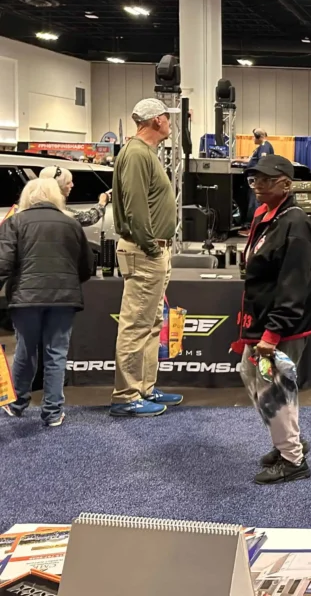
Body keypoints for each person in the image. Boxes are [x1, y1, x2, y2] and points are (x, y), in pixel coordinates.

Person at [233, 154, 311, 484]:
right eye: (254, 179)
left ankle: (292, 459)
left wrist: (272, 334)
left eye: (266, 180)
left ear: (286, 185)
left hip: (283, 323)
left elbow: (293, 284)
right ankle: (288, 440)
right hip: (263, 317)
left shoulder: (295, 224)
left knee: (274, 388)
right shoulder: (266, 214)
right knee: (251, 374)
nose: (258, 185)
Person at [109, 98, 183, 417]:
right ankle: (126, 395)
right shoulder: (138, 153)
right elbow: (136, 208)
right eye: (168, 117)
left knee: (150, 322)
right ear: (157, 121)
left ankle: (144, 388)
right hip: (145, 252)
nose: (171, 123)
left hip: (150, 251)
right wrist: (152, 247)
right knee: (136, 324)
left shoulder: (143, 152)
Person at [0, 178, 93, 427]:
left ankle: (17, 404)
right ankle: (52, 412)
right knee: (56, 353)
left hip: (26, 298)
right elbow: (86, 266)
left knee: (25, 350)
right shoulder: (72, 223)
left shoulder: (15, 222)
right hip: (64, 299)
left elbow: (3, 264)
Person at [39, 165, 109, 226]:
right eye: (68, 183)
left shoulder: (37, 205)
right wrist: (101, 203)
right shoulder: (57, 210)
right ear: (56, 187)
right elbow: (87, 218)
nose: (72, 185)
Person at [243, 129, 275, 231]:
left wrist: (258, 179)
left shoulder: (264, 147)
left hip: (257, 179)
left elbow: (262, 164)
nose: (253, 138)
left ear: (259, 136)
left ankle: (253, 227)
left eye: (254, 136)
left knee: (255, 203)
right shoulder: (261, 147)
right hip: (255, 179)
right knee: (253, 202)